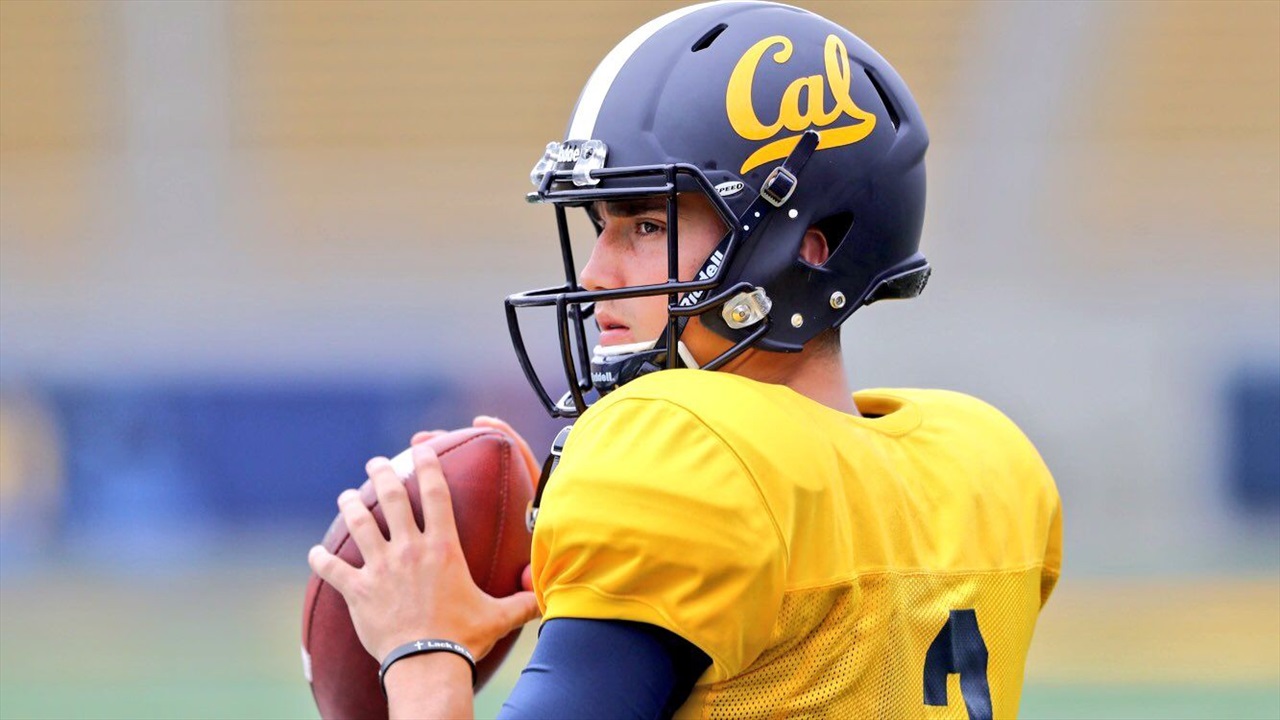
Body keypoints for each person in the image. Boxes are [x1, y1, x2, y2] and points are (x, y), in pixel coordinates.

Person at [308, 2, 1063, 718]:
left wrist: (424, 650)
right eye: (601, 226)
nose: (595, 275)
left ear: (806, 247)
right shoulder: (985, 465)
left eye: (644, 225)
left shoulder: (683, 453)